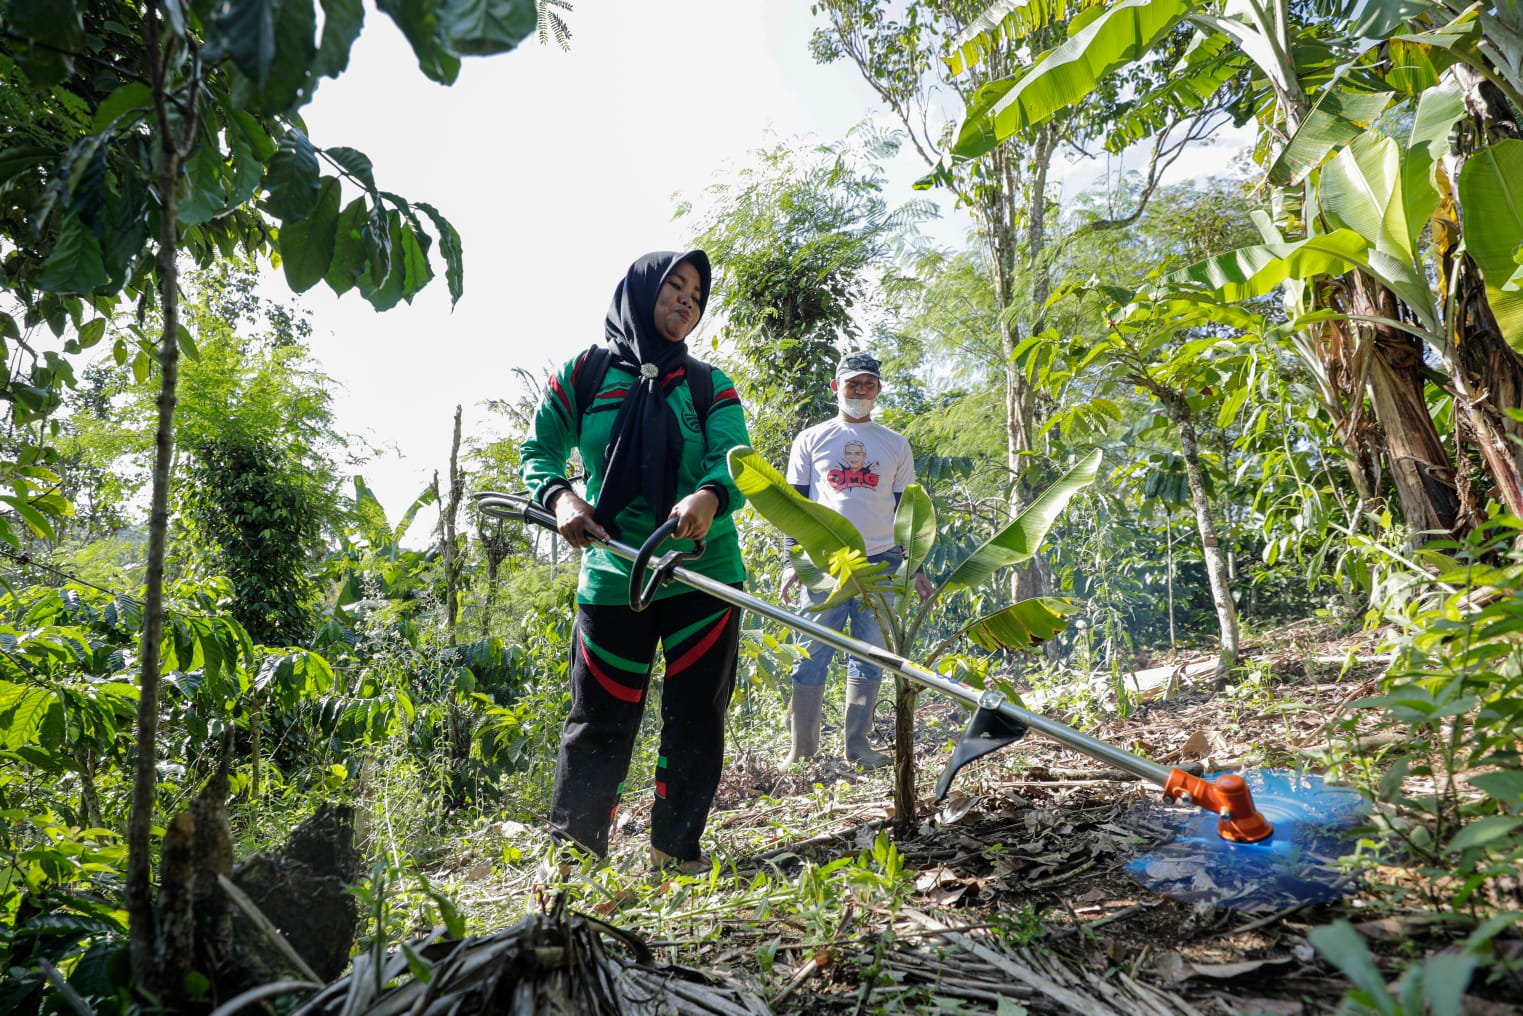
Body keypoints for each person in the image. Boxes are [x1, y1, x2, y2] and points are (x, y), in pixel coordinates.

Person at [520, 249, 750, 871]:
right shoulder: (584, 375)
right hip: (613, 576)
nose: (686, 300)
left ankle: (675, 851)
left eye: (697, 296)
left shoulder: (709, 385)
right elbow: (537, 450)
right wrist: (561, 496)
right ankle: (574, 854)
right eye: (675, 286)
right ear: (640, 290)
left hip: (702, 575)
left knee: (697, 718)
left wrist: (708, 496)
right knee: (599, 721)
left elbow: (735, 459)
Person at [781, 352, 933, 768]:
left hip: (883, 561)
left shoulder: (894, 445)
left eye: (868, 384)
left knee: (870, 653)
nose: (860, 391)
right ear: (836, 387)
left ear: (878, 390)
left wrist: (915, 566)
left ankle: (858, 745)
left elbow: (908, 511)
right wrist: (790, 562)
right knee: (810, 652)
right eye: (852, 383)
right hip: (825, 563)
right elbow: (792, 505)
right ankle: (803, 749)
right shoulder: (811, 439)